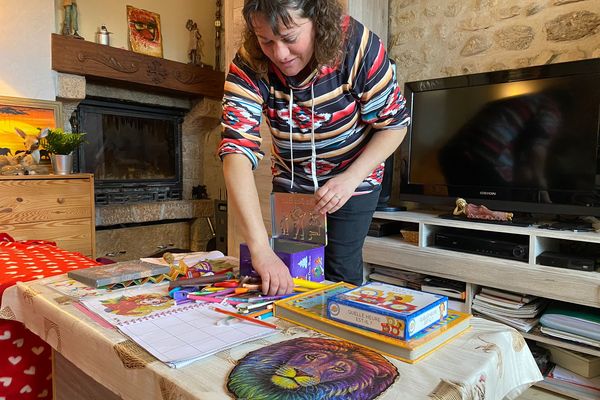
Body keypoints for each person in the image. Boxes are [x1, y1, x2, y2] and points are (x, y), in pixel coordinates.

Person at [219, 0, 410, 295]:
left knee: (339, 275)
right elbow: (235, 151)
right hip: (292, 182)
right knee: (292, 276)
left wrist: (351, 178)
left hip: (353, 179)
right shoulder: (249, 62)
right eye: (266, 40)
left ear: (318, 20)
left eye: (290, 38)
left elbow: (395, 125)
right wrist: (260, 249)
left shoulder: (357, 47)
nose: (279, 54)